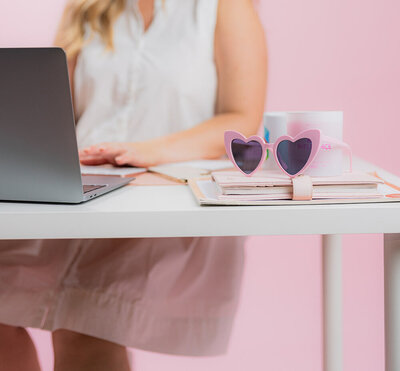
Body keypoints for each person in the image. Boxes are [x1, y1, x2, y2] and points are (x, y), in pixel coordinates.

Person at [0, 0, 267, 370]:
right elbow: (58, 108)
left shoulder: (223, 7)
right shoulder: (84, 7)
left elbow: (242, 119)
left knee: (86, 328)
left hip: (164, 202)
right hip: (77, 196)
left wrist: (147, 151)